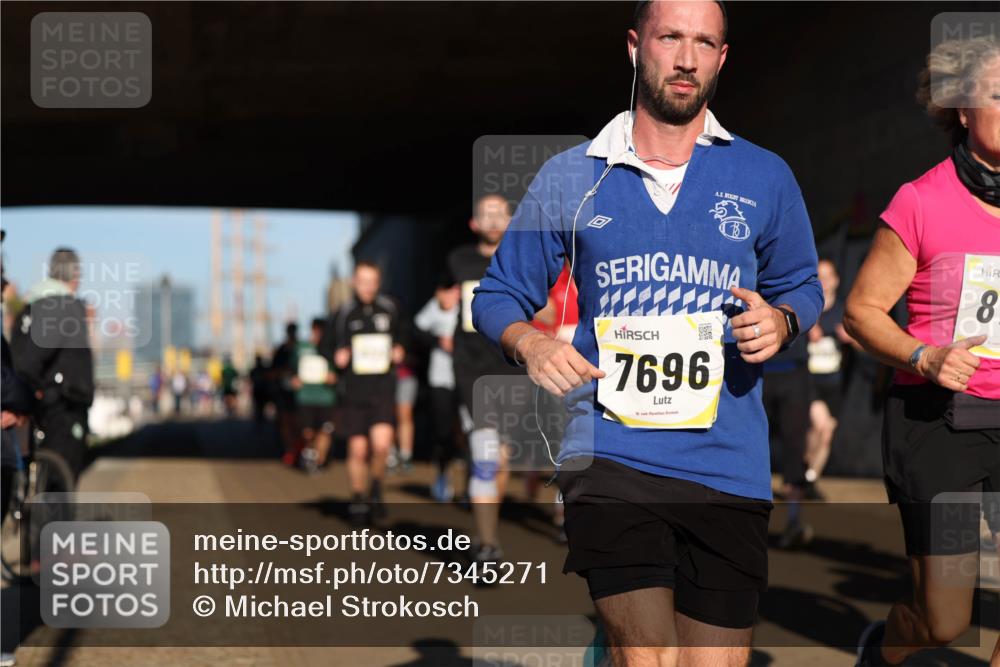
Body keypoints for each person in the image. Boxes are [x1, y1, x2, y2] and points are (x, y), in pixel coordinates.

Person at [471, 1, 823, 663]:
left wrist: (783, 319)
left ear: (722, 58)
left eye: (704, 43)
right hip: (612, 454)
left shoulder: (764, 175)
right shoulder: (572, 175)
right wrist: (532, 341)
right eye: (670, 38)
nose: (686, 58)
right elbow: (498, 296)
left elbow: (802, 283)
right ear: (636, 47)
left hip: (727, 460)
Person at [845, 35, 1000, 667]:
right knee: (943, 621)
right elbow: (861, 312)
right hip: (944, 425)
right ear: (962, 108)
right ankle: (880, 650)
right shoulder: (922, 201)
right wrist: (924, 357)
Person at [448, 193, 523, 564]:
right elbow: (436, 307)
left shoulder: (522, 259)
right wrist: (442, 303)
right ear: (474, 223)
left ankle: (487, 528)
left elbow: (548, 304)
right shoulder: (456, 261)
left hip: (511, 369)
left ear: (510, 220)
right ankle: (488, 544)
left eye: (500, 214)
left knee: (502, 457)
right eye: (486, 215)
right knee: (486, 457)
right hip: (471, 369)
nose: (493, 221)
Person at [325, 261, 405, 523]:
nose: (368, 287)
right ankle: (358, 498)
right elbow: (325, 348)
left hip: (383, 388)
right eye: (363, 281)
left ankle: (376, 488)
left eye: (372, 281)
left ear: (378, 283)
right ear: (353, 282)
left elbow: (405, 338)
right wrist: (336, 358)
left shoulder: (389, 309)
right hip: (354, 392)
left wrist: (400, 350)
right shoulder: (343, 314)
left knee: (381, 445)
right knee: (358, 450)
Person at [10, 247, 95, 479]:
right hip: (63, 405)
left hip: (38, 403)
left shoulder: (31, 305)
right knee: (60, 477)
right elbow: (31, 358)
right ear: (74, 275)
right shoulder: (60, 307)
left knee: (38, 472)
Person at [805, 258, 856, 489]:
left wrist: (851, 340)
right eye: (819, 277)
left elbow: (866, 346)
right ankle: (806, 474)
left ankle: (810, 476)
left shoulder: (845, 312)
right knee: (819, 426)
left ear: (836, 280)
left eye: (828, 277)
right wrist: (804, 331)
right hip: (809, 381)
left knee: (826, 433)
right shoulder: (807, 308)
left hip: (836, 383)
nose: (824, 282)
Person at [762, 336, 813, 549]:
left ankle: (793, 521)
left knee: (795, 446)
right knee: (752, 446)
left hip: (794, 372)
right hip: (755, 372)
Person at [414, 281, 461, 502]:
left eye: (454, 290)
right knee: (443, 430)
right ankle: (443, 474)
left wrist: (459, 344)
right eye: (446, 291)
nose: (450, 296)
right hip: (440, 379)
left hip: (466, 378)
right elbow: (415, 331)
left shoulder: (470, 308)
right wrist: (437, 341)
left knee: (471, 432)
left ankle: (473, 486)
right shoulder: (433, 308)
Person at [295, 318, 337, 473]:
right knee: (308, 431)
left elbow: (340, 371)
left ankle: (318, 460)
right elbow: (291, 370)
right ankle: (309, 453)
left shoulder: (331, 349)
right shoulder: (301, 348)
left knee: (325, 430)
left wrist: (334, 378)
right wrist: (294, 380)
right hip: (306, 397)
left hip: (326, 398)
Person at [271, 322, 301, 465]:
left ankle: (297, 448)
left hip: (300, 393)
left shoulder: (301, 348)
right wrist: (285, 371)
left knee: (297, 422)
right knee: (285, 422)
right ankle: (290, 450)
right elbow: (272, 371)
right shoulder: (282, 350)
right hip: (283, 392)